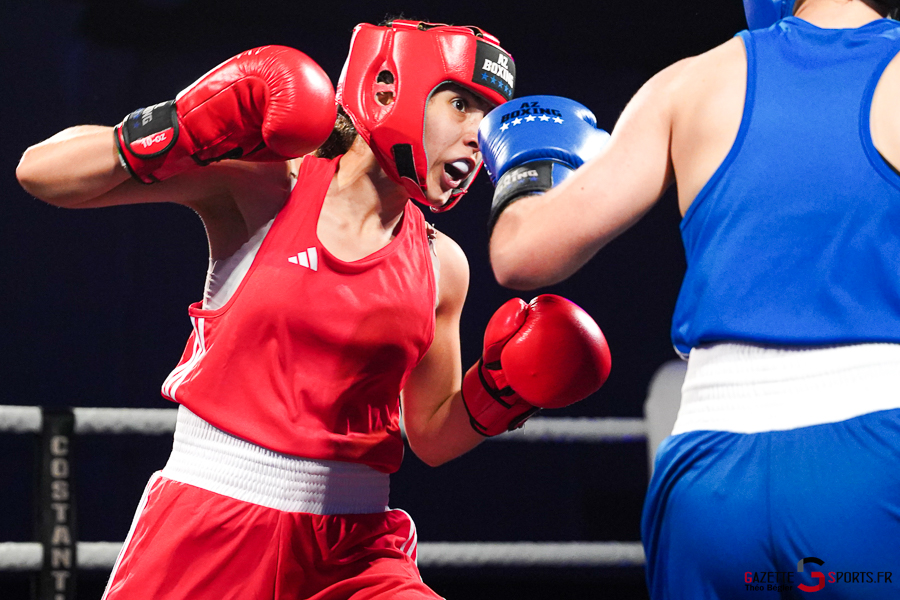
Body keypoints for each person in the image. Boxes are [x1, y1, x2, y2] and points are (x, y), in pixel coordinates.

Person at [16, 20, 611, 600]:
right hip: (212, 525)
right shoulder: (268, 185)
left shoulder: (441, 263)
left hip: (355, 551)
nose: (479, 137)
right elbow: (40, 174)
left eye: (489, 118)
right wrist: (180, 123)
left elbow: (430, 433)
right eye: (461, 105)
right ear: (387, 88)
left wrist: (505, 389)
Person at [477, 0, 900, 598]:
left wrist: (530, 167)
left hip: (709, 476)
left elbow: (519, 254)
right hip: (869, 463)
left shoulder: (688, 84)